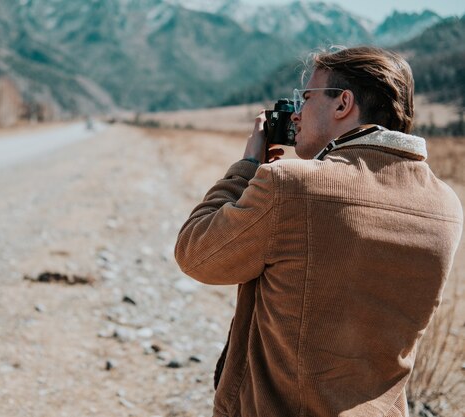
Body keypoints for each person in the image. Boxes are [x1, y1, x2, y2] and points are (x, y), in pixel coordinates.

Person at [174, 46, 463, 417]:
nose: (296, 114)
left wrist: (247, 166)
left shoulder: (292, 185)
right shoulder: (446, 205)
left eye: (305, 98)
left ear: (343, 103)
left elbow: (196, 254)